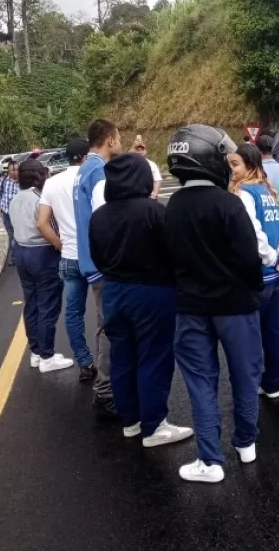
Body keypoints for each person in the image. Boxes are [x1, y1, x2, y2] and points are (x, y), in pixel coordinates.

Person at [163, 124, 265, 484]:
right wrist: (254, 292)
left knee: (201, 380)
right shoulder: (229, 203)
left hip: (191, 307)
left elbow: (167, 259)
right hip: (236, 305)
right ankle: (246, 444)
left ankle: (210, 459)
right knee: (245, 373)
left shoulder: (172, 206)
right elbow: (249, 258)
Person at [88, 153, 194, 448]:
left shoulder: (100, 216)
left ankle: (131, 421)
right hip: (152, 292)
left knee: (122, 356)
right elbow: (175, 251)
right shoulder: (153, 211)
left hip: (113, 291)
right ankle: (154, 424)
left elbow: (96, 255)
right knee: (154, 357)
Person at [227, 143, 279, 398]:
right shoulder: (266, 191)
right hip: (276, 273)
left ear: (251, 166)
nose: (231, 170)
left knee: (251, 334)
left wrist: (272, 257)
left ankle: (251, 384)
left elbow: (252, 235)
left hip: (259, 273)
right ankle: (273, 383)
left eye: (235, 165)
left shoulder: (243, 193)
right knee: (272, 328)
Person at [73, 118, 123, 417]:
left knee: (106, 325)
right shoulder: (101, 172)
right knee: (111, 329)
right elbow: (106, 221)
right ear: (110, 140)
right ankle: (106, 392)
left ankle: (108, 389)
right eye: (118, 138)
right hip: (105, 264)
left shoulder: (84, 170)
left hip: (90, 261)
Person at [37, 137, 95, 382]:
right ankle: (110, 364)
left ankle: (84, 362)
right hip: (96, 256)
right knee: (107, 313)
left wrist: (59, 243)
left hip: (69, 256)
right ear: (85, 156)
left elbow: (41, 223)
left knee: (73, 313)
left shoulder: (51, 183)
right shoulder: (93, 177)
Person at [9, 160, 73, 374]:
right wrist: (58, 243)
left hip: (21, 252)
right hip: (42, 254)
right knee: (48, 304)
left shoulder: (16, 199)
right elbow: (46, 225)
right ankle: (47, 356)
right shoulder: (40, 199)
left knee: (32, 303)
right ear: (38, 177)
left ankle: (36, 352)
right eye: (44, 173)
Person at [0, 160, 19, 264]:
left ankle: (19, 256)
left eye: (17, 169)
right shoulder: (3, 180)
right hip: (7, 212)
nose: (15, 172)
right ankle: (14, 258)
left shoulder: (23, 181)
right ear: (8, 170)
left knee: (19, 235)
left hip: (19, 213)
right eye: (13, 170)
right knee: (11, 235)